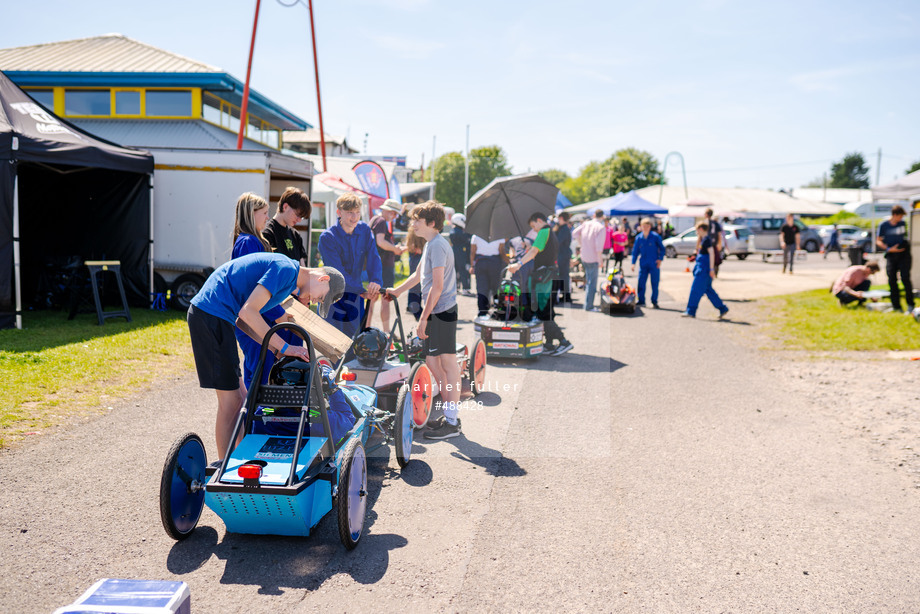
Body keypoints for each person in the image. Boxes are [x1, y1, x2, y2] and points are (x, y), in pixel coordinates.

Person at [188, 252, 344, 459]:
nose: (316, 301)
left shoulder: (287, 283)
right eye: (321, 297)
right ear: (323, 278)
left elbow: (243, 321)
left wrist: (275, 349)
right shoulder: (287, 270)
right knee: (231, 402)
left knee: (242, 398)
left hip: (219, 317)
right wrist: (286, 346)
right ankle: (224, 466)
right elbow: (248, 312)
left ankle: (240, 456)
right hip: (211, 315)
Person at [385, 201, 462, 440]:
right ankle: (450, 415)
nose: (412, 224)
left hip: (442, 312)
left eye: (416, 220)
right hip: (438, 312)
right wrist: (397, 291)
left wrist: (424, 319)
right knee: (433, 362)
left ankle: (452, 420)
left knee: (448, 364)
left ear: (431, 223)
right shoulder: (432, 244)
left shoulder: (438, 245)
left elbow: (436, 287)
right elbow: (419, 276)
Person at [230, 192, 301, 390]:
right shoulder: (248, 242)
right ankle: (254, 418)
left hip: (257, 317)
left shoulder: (251, 241)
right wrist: (279, 314)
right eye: (263, 213)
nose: (267, 217)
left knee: (261, 371)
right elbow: (256, 288)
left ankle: (252, 417)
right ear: (250, 214)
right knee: (261, 375)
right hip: (254, 319)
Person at [318, 193, 383, 338]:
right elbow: (337, 273)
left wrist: (376, 281)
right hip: (333, 298)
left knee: (354, 344)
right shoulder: (328, 237)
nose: (354, 217)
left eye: (357, 213)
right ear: (338, 212)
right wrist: (362, 290)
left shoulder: (365, 231)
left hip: (354, 298)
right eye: (349, 213)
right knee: (333, 344)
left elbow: (374, 256)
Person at [508, 212, 574, 356]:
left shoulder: (544, 232)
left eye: (533, 226)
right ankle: (549, 344)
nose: (534, 230)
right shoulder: (551, 232)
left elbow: (534, 251)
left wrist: (518, 263)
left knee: (542, 311)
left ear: (538, 221)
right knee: (546, 310)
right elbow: (536, 250)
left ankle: (564, 342)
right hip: (547, 276)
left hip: (543, 278)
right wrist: (529, 247)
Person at [368, 198, 407, 332]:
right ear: (388, 211)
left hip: (378, 265)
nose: (395, 216)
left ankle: (365, 329)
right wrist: (395, 249)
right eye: (394, 213)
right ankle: (386, 332)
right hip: (383, 266)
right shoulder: (381, 221)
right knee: (385, 299)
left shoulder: (375, 220)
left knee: (372, 299)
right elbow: (381, 242)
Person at [682, 221, 729, 319]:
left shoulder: (707, 240)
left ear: (701, 229)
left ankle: (691, 311)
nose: (697, 233)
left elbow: (711, 253)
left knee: (695, 290)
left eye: (697, 230)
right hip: (703, 269)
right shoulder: (704, 240)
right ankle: (722, 308)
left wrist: (711, 269)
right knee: (709, 290)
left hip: (704, 270)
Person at [876, 205, 915, 313]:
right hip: (891, 255)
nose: (901, 218)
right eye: (900, 216)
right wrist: (889, 249)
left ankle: (910, 304)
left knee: (905, 278)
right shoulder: (883, 225)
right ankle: (896, 306)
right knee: (892, 280)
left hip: (903, 254)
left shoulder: (902, 223)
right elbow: (878, 240)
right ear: (895, 215)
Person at [263, 187, 311, 265]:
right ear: (285, 207)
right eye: (297, 215)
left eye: (302, 217)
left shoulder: (295, 235)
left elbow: (302, 267)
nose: (299, 220)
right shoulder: (268, 233)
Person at [571, 209, 607, 312]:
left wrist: (582, 243)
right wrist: (600, 260)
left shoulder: (586, 224)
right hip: (593, 257)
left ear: (594, 215)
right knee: (592, 282)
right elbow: (599, 246)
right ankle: (589, 306)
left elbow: (574, 233)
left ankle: (587, 304)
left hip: (584, 255)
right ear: (602, 216)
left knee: (588, 281)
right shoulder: (600, 227)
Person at [630, 217, 666, 308]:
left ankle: (654, 301)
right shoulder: (639, 238)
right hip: (643, 263)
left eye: (647, 226)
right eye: (643, 226)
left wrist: (660, 259)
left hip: (654, 263)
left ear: (650, 227)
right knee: (641, 282)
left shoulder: (655, 236)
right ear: (641, 227)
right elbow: (635, 252)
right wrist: (633, 263)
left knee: (655, 283)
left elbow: (662, 249)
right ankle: (641, 300)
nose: (645, 228)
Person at [470, 233, 506, 317]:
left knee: (481, 287)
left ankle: (482, 310)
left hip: (480, 262)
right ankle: (498, 309)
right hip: (495, 262)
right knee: (496, 287)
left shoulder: (476, 236)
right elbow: (502, 252)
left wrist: (472, 265)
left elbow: (472, 252)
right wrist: (509, 261)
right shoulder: (499, 235)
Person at [449, 213, 473, 296]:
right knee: (463, 270)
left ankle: (457, 287)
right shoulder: (457, 232)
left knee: (457, 271)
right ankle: (465, 288)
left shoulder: (456, 231)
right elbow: (467, 238)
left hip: (456, 253)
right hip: (460, 254)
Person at [553, 212, 573, 304]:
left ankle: (566, 296)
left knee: (563, 275)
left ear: (561, 218)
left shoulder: (564, 229)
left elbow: (558, 242)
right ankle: (565, 295)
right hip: (563, 254)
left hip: (563, 255)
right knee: (563, 275)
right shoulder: (564, 228)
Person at [704, 208, 724, 277]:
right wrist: (719, 244)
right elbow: (719, 235)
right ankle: (714, 273)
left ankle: (710, 272)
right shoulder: (715, 223)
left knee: (708, 259)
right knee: (716, 260)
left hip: (707, 245)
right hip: (714, 244)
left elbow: (702, 235)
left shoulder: (705, 222)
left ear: (706, 214)